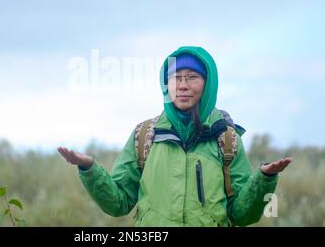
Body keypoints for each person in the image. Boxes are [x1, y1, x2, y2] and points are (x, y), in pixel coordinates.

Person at [58, 46, 292, 226]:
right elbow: (119, 202)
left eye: (192, 77)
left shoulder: (226, 140)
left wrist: (264, 180)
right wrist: (89, 169)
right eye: (175, 78)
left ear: (208, 84)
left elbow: (242, 215)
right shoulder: (144, 136)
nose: (182, 85)